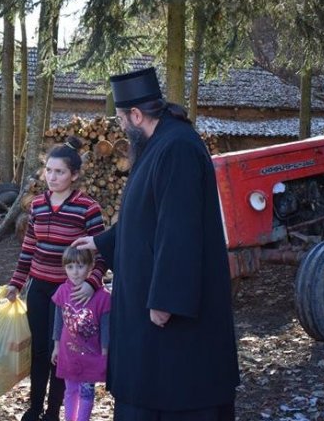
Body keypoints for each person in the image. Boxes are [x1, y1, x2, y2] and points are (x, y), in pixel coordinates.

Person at [73, 67, 240, 421]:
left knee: (176, 392)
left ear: (136, 115)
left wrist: (166, 299)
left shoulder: (177, 147)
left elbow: (180, 228)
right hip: (146, 311)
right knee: (149, 386)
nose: (121, 127)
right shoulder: (157, 145)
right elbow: (145, 217)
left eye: (121, 119)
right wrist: (102, 241)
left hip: (170, 316)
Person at [6, 135, 107, 421]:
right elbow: (29, 248)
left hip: (70, 294)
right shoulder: (38, 205)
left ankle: (53, 412)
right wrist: (16, 283)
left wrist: (91, 283)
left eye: (59, 172)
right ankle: (35, 407)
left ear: (74, 175)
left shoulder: (88, 207)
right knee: (39, 350)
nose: (52, 177)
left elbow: (103, 253)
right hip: (38, 289)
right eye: (48, 170)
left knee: (61, 352)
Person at [51, 246, 111, 421]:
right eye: (70, 267)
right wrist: (56, 347)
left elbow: (106, 328)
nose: (75, 272)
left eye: (80, 266)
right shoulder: (62, 291)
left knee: (86, 393)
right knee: (70, 390)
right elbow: (58, 322)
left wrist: (105, 354)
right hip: (68, 354)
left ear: (91, 266)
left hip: (92, 357)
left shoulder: (103, 297)